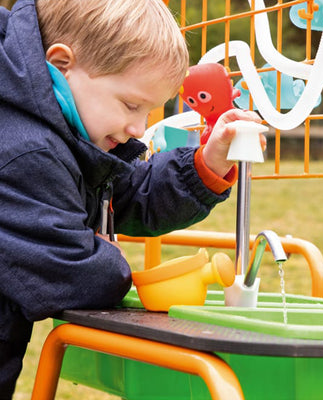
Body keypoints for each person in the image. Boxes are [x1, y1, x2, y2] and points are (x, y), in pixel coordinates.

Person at [0, 0, 262, 397]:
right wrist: (104, 259)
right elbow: (70, 276)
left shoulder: (65, 137)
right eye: (131, 105)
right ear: (62, 64)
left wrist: (206, 164)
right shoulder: (27, 152)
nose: (138, 128)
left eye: (148, 111)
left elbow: (125, 193)